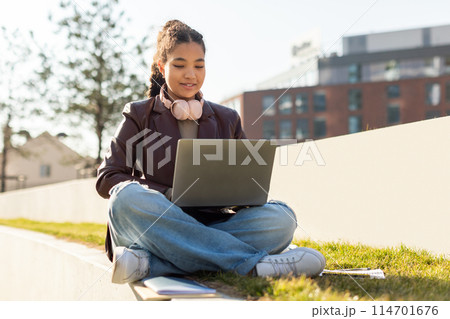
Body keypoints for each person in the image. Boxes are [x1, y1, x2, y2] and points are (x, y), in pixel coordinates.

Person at [96, 20, 326, 284]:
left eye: (199, 65)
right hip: (160, 224)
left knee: (282, 218)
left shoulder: (227, 118)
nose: (190, 75)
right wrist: (164, 194)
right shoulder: (138, 114)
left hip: (212, 223)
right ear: (162, 66)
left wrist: (241, 194)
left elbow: (246, 182)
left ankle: (151, 264)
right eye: (180, 65)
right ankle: (252, 266)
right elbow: (106, 177)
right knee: (124, 198)